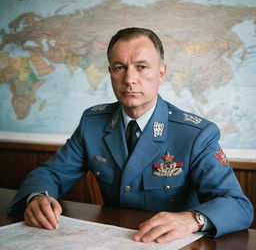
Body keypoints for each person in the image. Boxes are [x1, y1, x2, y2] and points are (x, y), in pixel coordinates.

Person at [8, 27, 253, 244]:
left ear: (161, 73)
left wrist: (193, 219)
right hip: (112, 239)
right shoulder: (93, 123)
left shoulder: (195, 133)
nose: (129, 79)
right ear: (110, 72)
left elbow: (238, 205)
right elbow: (50, 173)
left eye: (142, 67)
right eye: (119, 68)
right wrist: (37, 197)